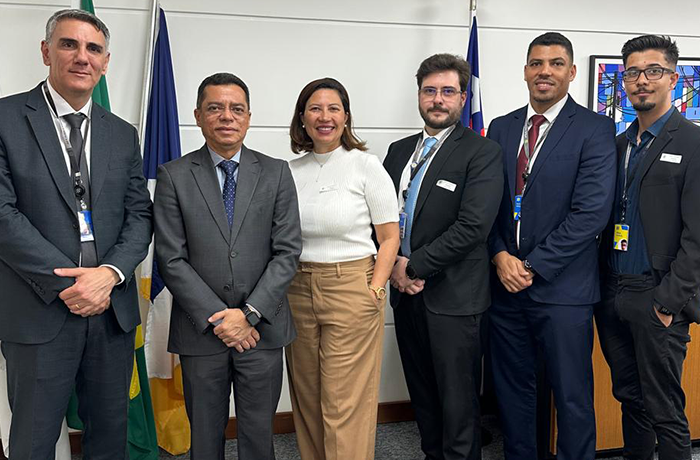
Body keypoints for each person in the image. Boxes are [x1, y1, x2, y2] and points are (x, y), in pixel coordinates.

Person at [0, 9, 152, 459]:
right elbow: (2, 215)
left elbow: (138, 216)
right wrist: (72, 283)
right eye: (69, 44)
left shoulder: (122, 134)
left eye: (93, 49)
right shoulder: (6, 119)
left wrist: (109, 274)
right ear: (46, 52)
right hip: (39, 308)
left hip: (111, 311)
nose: (81, 57)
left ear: (106, 63)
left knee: (109, 437)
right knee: (33, 439)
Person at [154, 72, 301, 460]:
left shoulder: (276, 172)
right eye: (215, 108)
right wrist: (222, 319)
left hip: (261, 331)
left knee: (258, 436)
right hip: (201, 333)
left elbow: (287, 252)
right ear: (198, 115)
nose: (226, 116)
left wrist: (248, 315)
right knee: (204, 437)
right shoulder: (174, 175)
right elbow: (171, 258)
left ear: (248, 117)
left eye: (236, 109)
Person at [486, 32, 617, 460]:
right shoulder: (501, 128)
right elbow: (487, 204)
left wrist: (534, 265)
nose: (545, 71)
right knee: (513, 393)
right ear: (525, 71)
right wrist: (501, 254)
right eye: (537, 63)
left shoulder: (595, 129)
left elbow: (591, 213)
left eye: (556, 63)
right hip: (505, 289)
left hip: (564, 291)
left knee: (572, 398)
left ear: (572, 72)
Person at [383, 54, 503, 460]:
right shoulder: (399, 152)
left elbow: (473, 227)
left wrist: (411, 266)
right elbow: (380, 219)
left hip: (455, 300)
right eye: (430, 90)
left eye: (448, 91)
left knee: (458, 405)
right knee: (424, 399)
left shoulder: (482, 152)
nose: (438, 99)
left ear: (463, 98)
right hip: (406, 296)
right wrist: (395, 268)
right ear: (418, 95)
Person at [596, 35, 700, 460]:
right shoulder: (618, 145)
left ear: (674, 78)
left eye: (653, 71)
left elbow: (698, 236)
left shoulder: (692, 142)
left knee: (663, 409)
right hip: (612, 292)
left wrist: (668, 301)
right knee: (630, 399)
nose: (642, 81)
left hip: (656, 295)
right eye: (633, 72)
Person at [285, 77, 400, 460]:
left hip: (352, 287)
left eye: (334, 109)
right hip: (298, 289)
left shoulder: (366, 166)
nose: (324, 117)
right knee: (307, 395)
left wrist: (376, 289)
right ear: (302, 118)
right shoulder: (288, 171)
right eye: (315, 108)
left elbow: (389, 237)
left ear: (346, 117)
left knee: (342, 401)